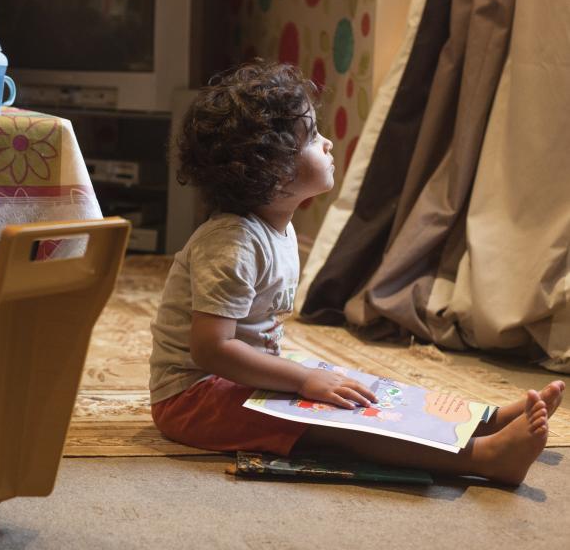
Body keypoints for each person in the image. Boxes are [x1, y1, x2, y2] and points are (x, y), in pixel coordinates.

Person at [149, 60, 564, 485]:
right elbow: (211, 350)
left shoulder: (277, 227)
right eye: (311, 136)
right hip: (192, 399)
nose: (327, 143)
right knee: (333, 421)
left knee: (357, 386)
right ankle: (483, 457)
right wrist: (304, 379)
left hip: (237, 379)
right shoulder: (231, 244)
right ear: (273, 173)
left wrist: (310, 377)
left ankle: (483, 421)